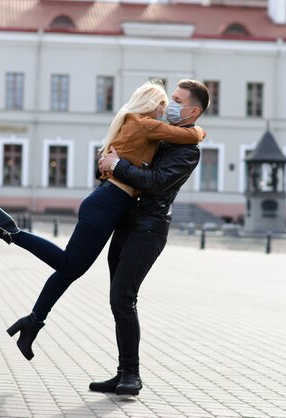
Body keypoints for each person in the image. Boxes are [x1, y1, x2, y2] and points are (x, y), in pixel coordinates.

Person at [0, 81, 205, 361]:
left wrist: (114, 165)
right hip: (108, 203)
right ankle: (12, 232)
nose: (168, 110)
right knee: (70, 265)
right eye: (166, 104)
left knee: (69, 270)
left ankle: (32, 322)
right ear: (151, 104)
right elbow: (191, 137)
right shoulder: (144, 124)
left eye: (175, 103)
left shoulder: (136, 124)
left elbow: (108, 164)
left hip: (108, 202)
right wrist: (200, 130)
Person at [89, 79, 210, 395]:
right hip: (126, 223)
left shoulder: (188, 151)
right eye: (171, 97)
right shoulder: (157, 131)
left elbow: (155, 181)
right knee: (118, 300)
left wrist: (118, 165)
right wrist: (109, 161)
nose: (169, 103)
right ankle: (122, 373)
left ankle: (132, 375)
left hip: (149, 228)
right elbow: (119, 157)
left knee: (123, 297)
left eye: (177, 99)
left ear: (193, 110)